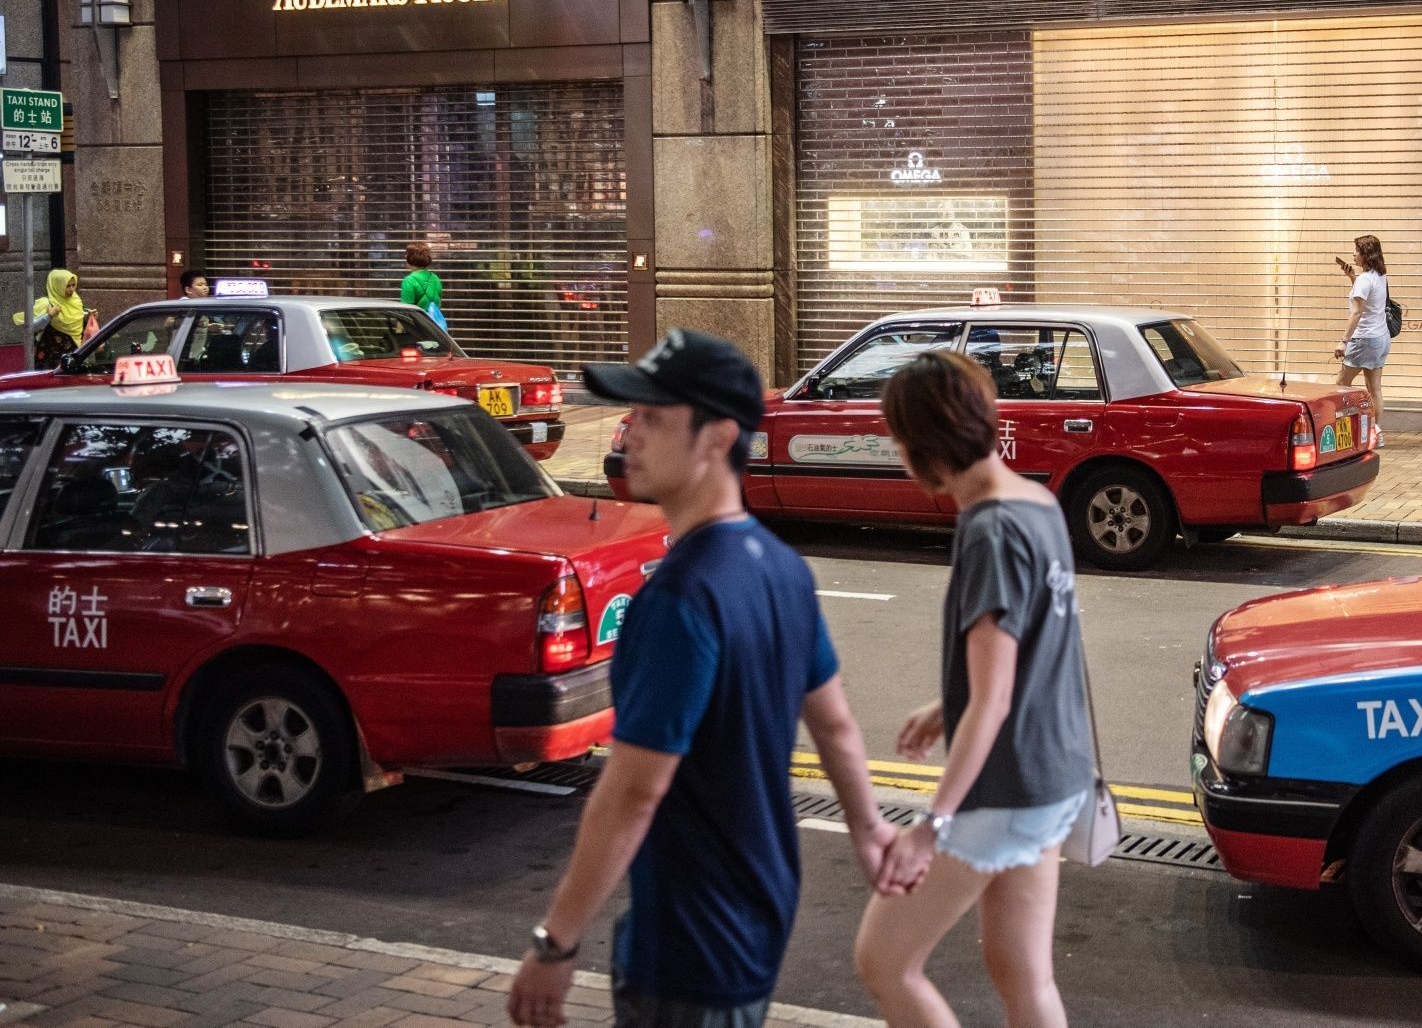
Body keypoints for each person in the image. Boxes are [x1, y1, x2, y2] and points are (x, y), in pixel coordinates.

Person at [509, 329, 897, 1028]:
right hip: (759, 908)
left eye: (654, 419)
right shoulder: (780, 566)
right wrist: (868, 830)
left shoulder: (683, 596)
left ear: (718, 438)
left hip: (691, 939)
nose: (629, 433)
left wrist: (555, 941)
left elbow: (632, 791)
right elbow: (834, 722)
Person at [855, 349, 1093, 1028]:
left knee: (883, 959)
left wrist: (931, 827)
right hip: (1056, 775)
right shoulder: (1037, 501)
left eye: (898, 440)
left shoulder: (988, 528)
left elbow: (992, 700)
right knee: (1021, 971)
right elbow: (1041, 644)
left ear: (923, 446)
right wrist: (946, 703)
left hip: (1003, 790)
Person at [1334, 234, 1391, 445]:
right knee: (1374, 387)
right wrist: (1352, 278)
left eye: (1356, 251)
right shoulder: (1379, 275)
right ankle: (1377, 433)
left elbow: (1357, 313)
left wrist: (1343, 341)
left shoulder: (1364, 280)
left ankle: (1345, 431)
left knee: (1341, 384)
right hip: (1381, 338)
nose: (1353, 254)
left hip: (1364, 339)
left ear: (1366, 254)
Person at [31, 269, 94, 369]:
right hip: (51, 358)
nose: (72, 289)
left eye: (73, 285)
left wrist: (89, 315)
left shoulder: (76, 301)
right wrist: (49, 316)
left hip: (76, 354)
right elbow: (31, 327)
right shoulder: (46, 303)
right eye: (68, 286)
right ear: (57, 286)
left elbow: (78, 318)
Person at [400, 241, 445, 329]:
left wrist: (398, 333)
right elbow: (438, 304)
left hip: (418, 329)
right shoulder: (435, 278)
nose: (405, 256)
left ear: (410, 258)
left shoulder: (409, 280)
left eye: (407, 254)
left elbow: (406, 312)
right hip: (434, 327)